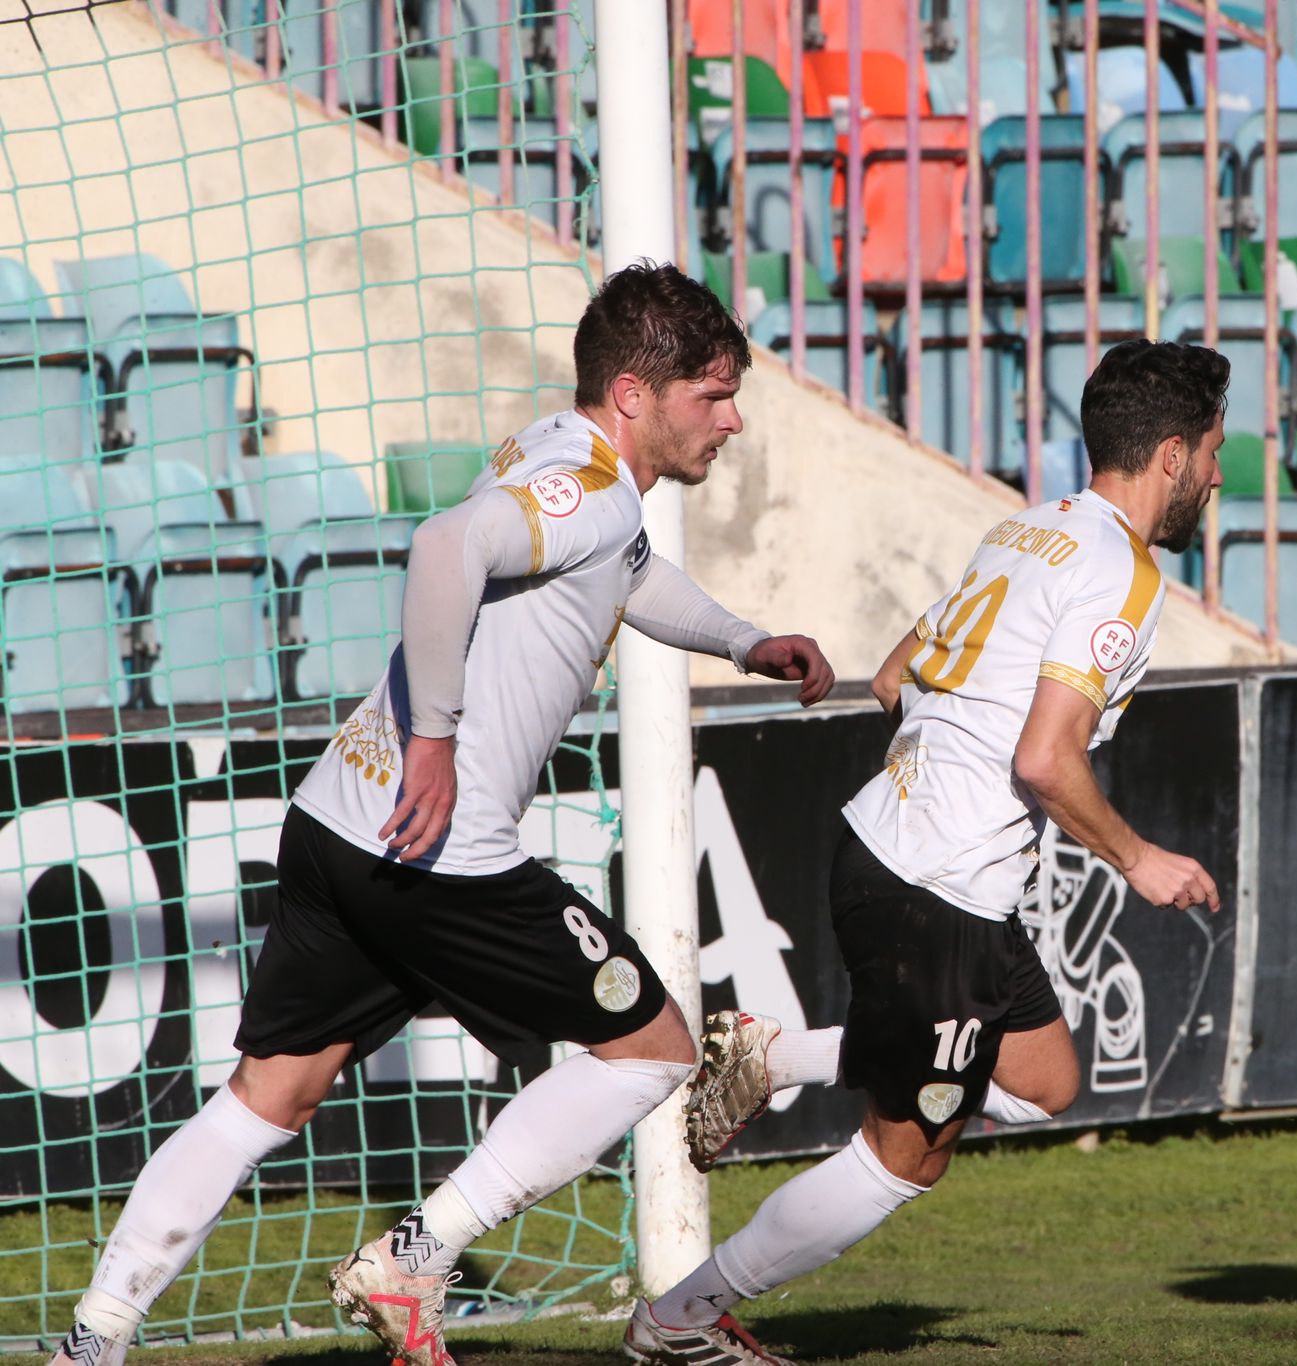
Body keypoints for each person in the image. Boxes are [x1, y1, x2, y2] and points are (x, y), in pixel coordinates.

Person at [50, 262, 834, 1366]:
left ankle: (93, 1341)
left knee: (266, 1095)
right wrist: (435, 741)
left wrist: (742, 641)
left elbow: (629, 571)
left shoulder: (557, 458)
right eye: (711, 394)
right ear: (632, 394)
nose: (731, 417)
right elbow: (443, 549)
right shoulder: (589, 488)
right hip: (440, 854)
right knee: (651, 1050)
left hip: (338, 823)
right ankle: (417, 1255)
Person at [618, 339, 1228, 1366]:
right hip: (933, 889)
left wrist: (953, 756)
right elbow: (1045, 759)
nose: (1215, 476)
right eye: (1212, 452)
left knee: (1044, 1078)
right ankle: (679, 1317)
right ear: (1171, 454)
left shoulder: (1025, 530)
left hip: (898, 854)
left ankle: (781, 1055)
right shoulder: (1122, 579)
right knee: (905, 1156)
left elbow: (895, 674)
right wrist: (1138, 858)